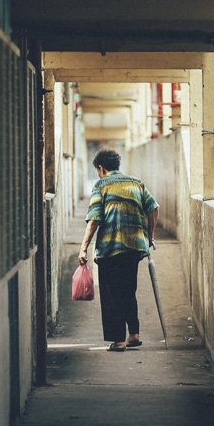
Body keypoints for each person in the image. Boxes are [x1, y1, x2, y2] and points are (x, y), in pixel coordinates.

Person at [78, 149, 159, 352]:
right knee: (128, 289)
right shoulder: (136, 183)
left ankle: (118, 340)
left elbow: (94, 219)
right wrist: (149, 236)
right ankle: (134, 334)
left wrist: (84, 248)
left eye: (98, 171)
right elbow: (154, 208)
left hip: (110, 247)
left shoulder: (101, 185)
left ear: (101, 168)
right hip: (134, 246)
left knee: (112, 293)